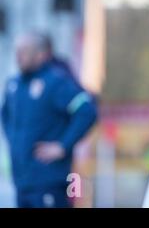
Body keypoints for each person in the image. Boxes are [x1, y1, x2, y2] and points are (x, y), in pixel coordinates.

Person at [1, 32, 97, 208]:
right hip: (21, 181)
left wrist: (62, 146)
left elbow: (86, 111)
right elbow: (5, 115)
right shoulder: (13, 84)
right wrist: (15, 145)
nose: (18, 55)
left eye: (24, 51)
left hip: (48, 181)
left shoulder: (56, 82)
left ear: (41, 54)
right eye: (17, 50)